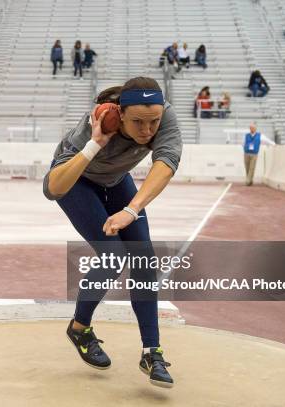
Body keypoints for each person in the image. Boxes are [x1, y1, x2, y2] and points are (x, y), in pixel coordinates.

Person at [44, 77, 181, 388]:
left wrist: (131, 210)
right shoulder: (97, 121)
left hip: (116, 181)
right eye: (138, 123)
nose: (148, 131)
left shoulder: (163, 115)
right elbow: (53, 188)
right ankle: (80, 328)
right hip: (77, 181)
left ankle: (152, 352)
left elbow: (167, 163)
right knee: (113, 256)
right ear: (119, 114)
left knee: (144, 259)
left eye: (154, 122)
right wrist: (95, 144)